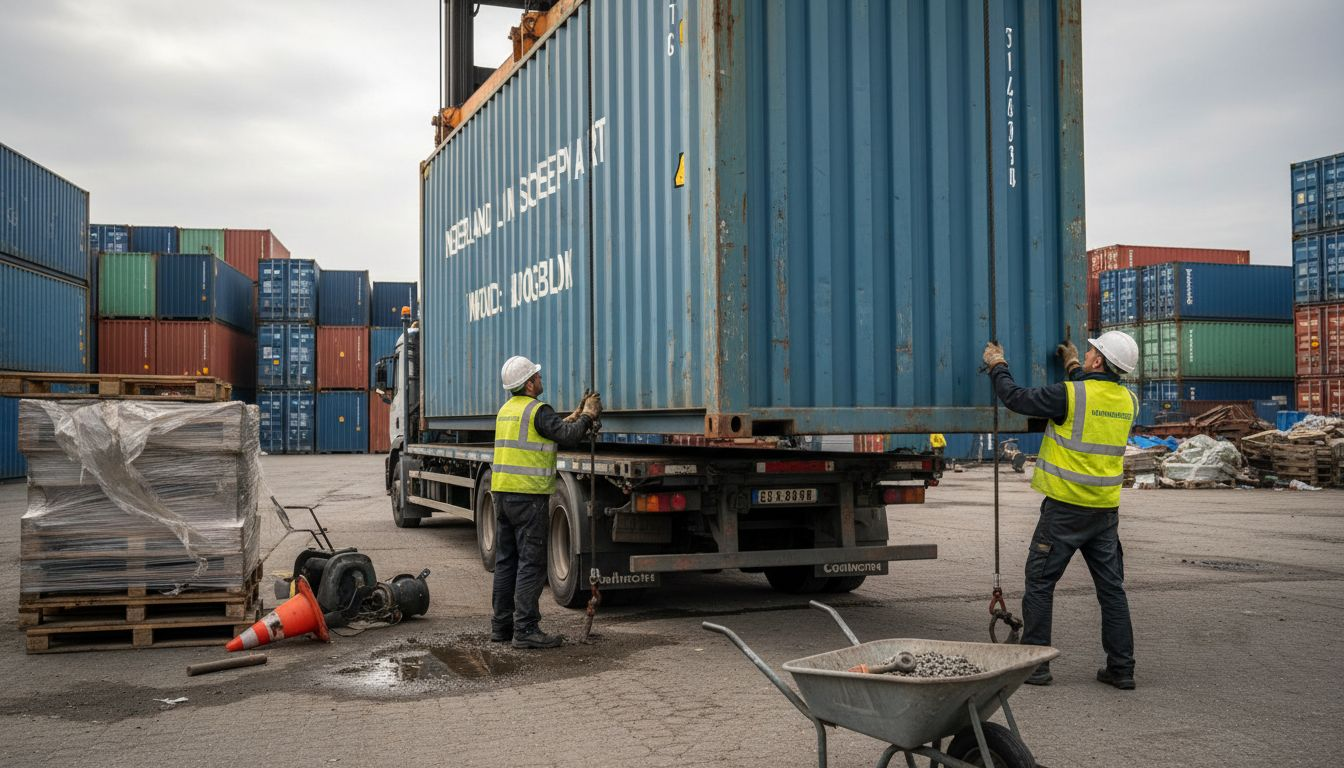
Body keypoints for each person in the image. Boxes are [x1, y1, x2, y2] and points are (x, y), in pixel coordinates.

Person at [981, 331, 1139, 690]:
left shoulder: (1068, 395)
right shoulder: (1129, 401)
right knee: (1111, 590)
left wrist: (997, 365)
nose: (1086, 353)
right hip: (1104, 512)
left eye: (1091, 351)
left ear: (1098, 361)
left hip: (1065, 510)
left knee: (1040, 583)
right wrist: (1071, 365)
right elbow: (1093, 396)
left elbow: (1016, 398)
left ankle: (1036, 666)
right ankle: (1122, 668)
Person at [490, 355, 602, 649]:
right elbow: (568, 437)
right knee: (531, 563)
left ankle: (501, 626)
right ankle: (525, 629)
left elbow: (548, 430)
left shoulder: (507, 411)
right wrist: (588, 416)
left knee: (506, 562)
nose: (540, 379)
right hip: (528, 497)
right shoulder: (538, 410)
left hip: (502, 494)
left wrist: (575, 414)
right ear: (529, 384)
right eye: (537, 376)